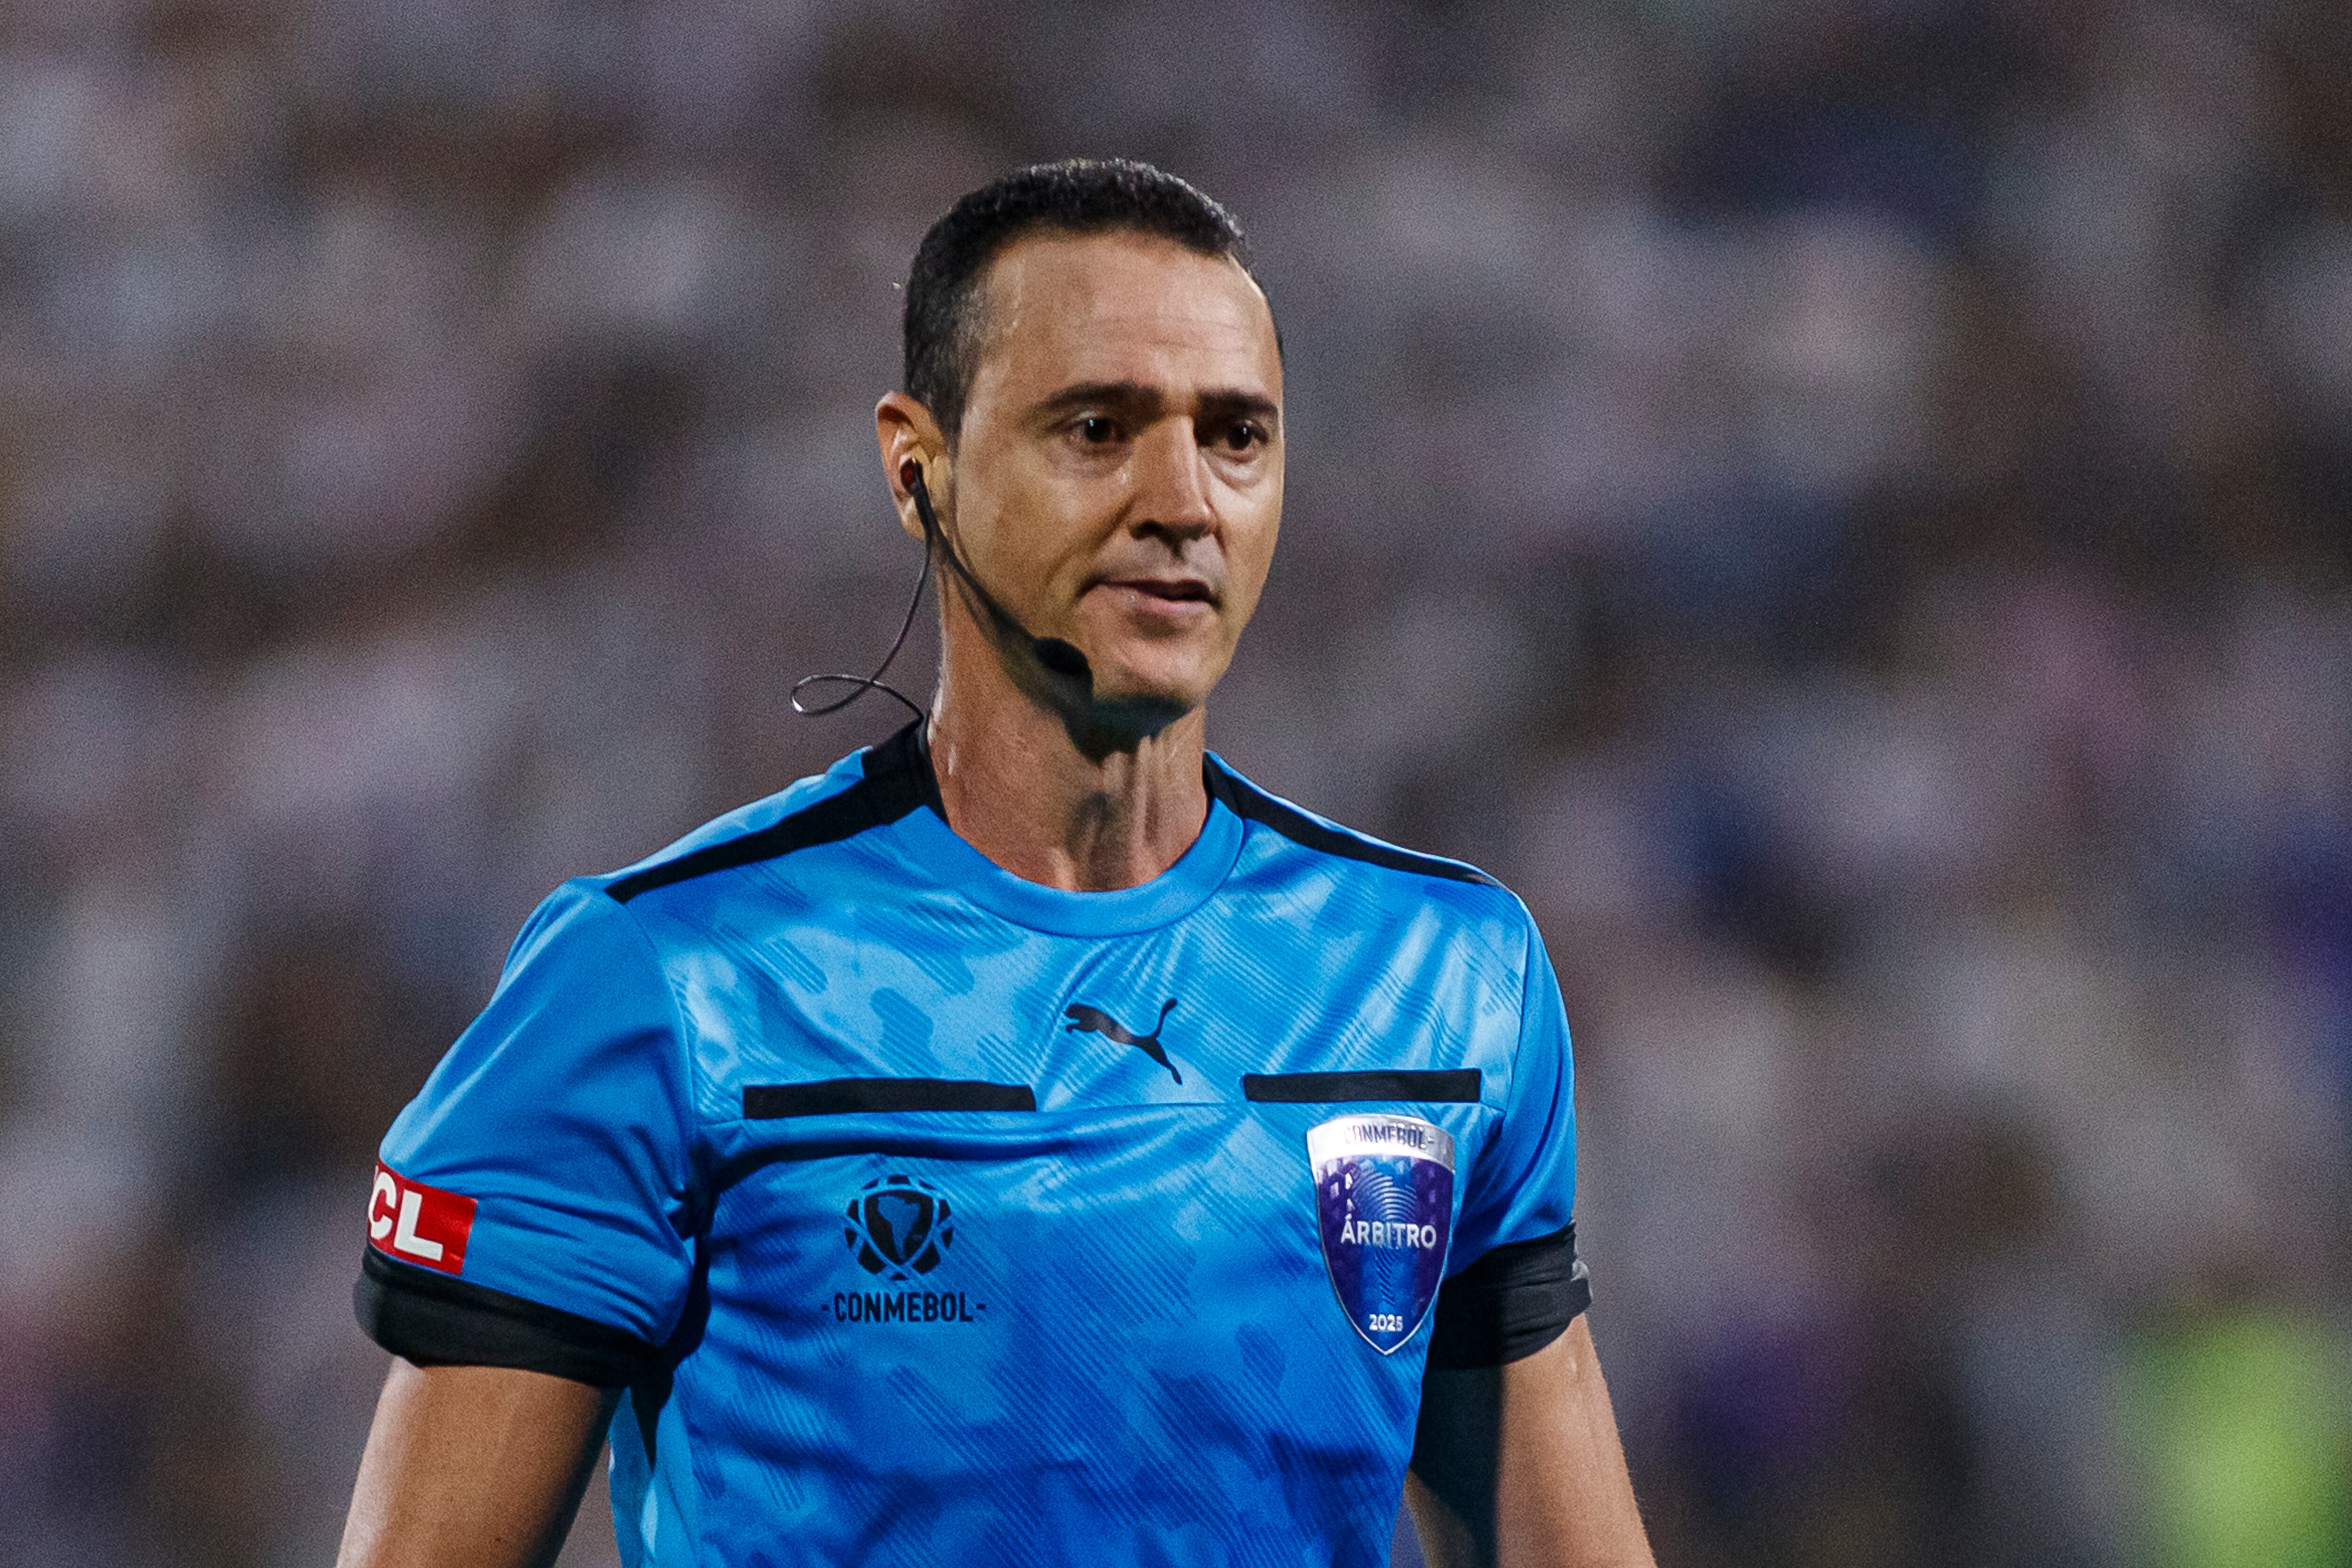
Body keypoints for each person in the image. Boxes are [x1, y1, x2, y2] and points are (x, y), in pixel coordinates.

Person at [337, 158, 1654, 1568]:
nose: (1183, 499)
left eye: (1237, 437)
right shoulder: (660, 982)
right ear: (921, 469)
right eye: (1098, 428)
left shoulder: (1446, 979)